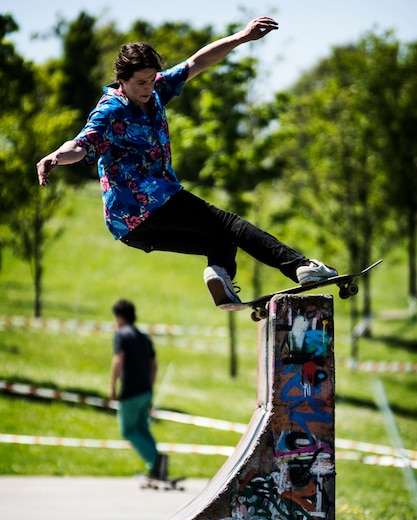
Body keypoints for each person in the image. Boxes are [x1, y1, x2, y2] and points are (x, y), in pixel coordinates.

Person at [36, 16, 337, 308]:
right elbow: (81, 143)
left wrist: (242, 37)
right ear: (122, 81)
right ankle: (301, 266)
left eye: (151, 80)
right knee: (230, 224)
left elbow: (196, 63)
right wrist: (56, 157)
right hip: (149, 202)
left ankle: (221, 279)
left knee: (218, 238)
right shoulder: (110, 111)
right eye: (140, 83)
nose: (147, 88)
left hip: (129, 229)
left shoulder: (155, 92)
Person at [109, 299, 167, 479]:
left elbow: (118, 359)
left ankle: (155, 460)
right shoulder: (144, 337)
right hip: (146, 391)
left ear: (119, 317)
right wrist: (149, 385)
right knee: (142, 428)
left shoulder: (121, 335)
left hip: (130, 391)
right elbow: (154, 365)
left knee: (128, 430)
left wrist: (112, 385)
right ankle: (156, 466)